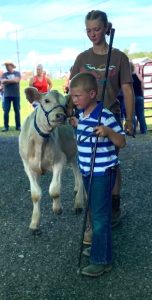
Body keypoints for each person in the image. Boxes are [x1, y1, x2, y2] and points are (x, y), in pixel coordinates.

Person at [67, 10, 134, 242]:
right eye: (88, 30)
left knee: (109, 164)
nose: (92, 34)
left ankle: (113, 207)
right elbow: (72, 87)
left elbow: (127, 89)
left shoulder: (118, 58)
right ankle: (95, 215)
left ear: (106, 28)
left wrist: (129, 119)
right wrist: (68, 112)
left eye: (96, 29)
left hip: (109, 117)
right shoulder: (81, 58)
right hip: (86, 119)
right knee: (89, 164)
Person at [69, 72, 126, 277]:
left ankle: (102, 260)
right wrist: (78, 124)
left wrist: (108, 132)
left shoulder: (105, 115)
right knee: (93, 211)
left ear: (92, 94)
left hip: (102, 172)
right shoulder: (83, 114)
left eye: (77, 96)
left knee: (101, 217)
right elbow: (83, 138)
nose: (73, 100)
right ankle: (99, 247)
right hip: (87, 171)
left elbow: (122, 142)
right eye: (72, 96)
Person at [1, 61, 21, 132]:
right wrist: (11, 80)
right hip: (7, 95)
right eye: (6, 66)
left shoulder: (17, 73)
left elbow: (16, 81)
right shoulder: (4, 74)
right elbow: (2, 81)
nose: (6, 67)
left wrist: (7, 80)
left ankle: (18, 126)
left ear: (12, 66)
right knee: (6, 111)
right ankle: (6, 127)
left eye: (8, 66)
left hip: (16, 95)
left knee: (17, 111)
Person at [130, 62, 147, 134]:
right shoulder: (138, 76)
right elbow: (143, 83)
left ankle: (133, 131)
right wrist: (142, 93)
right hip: (140, 96)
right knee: (141, 114)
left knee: (132, 114)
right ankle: (144, 130)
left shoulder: (128, 77)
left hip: (132, 98)